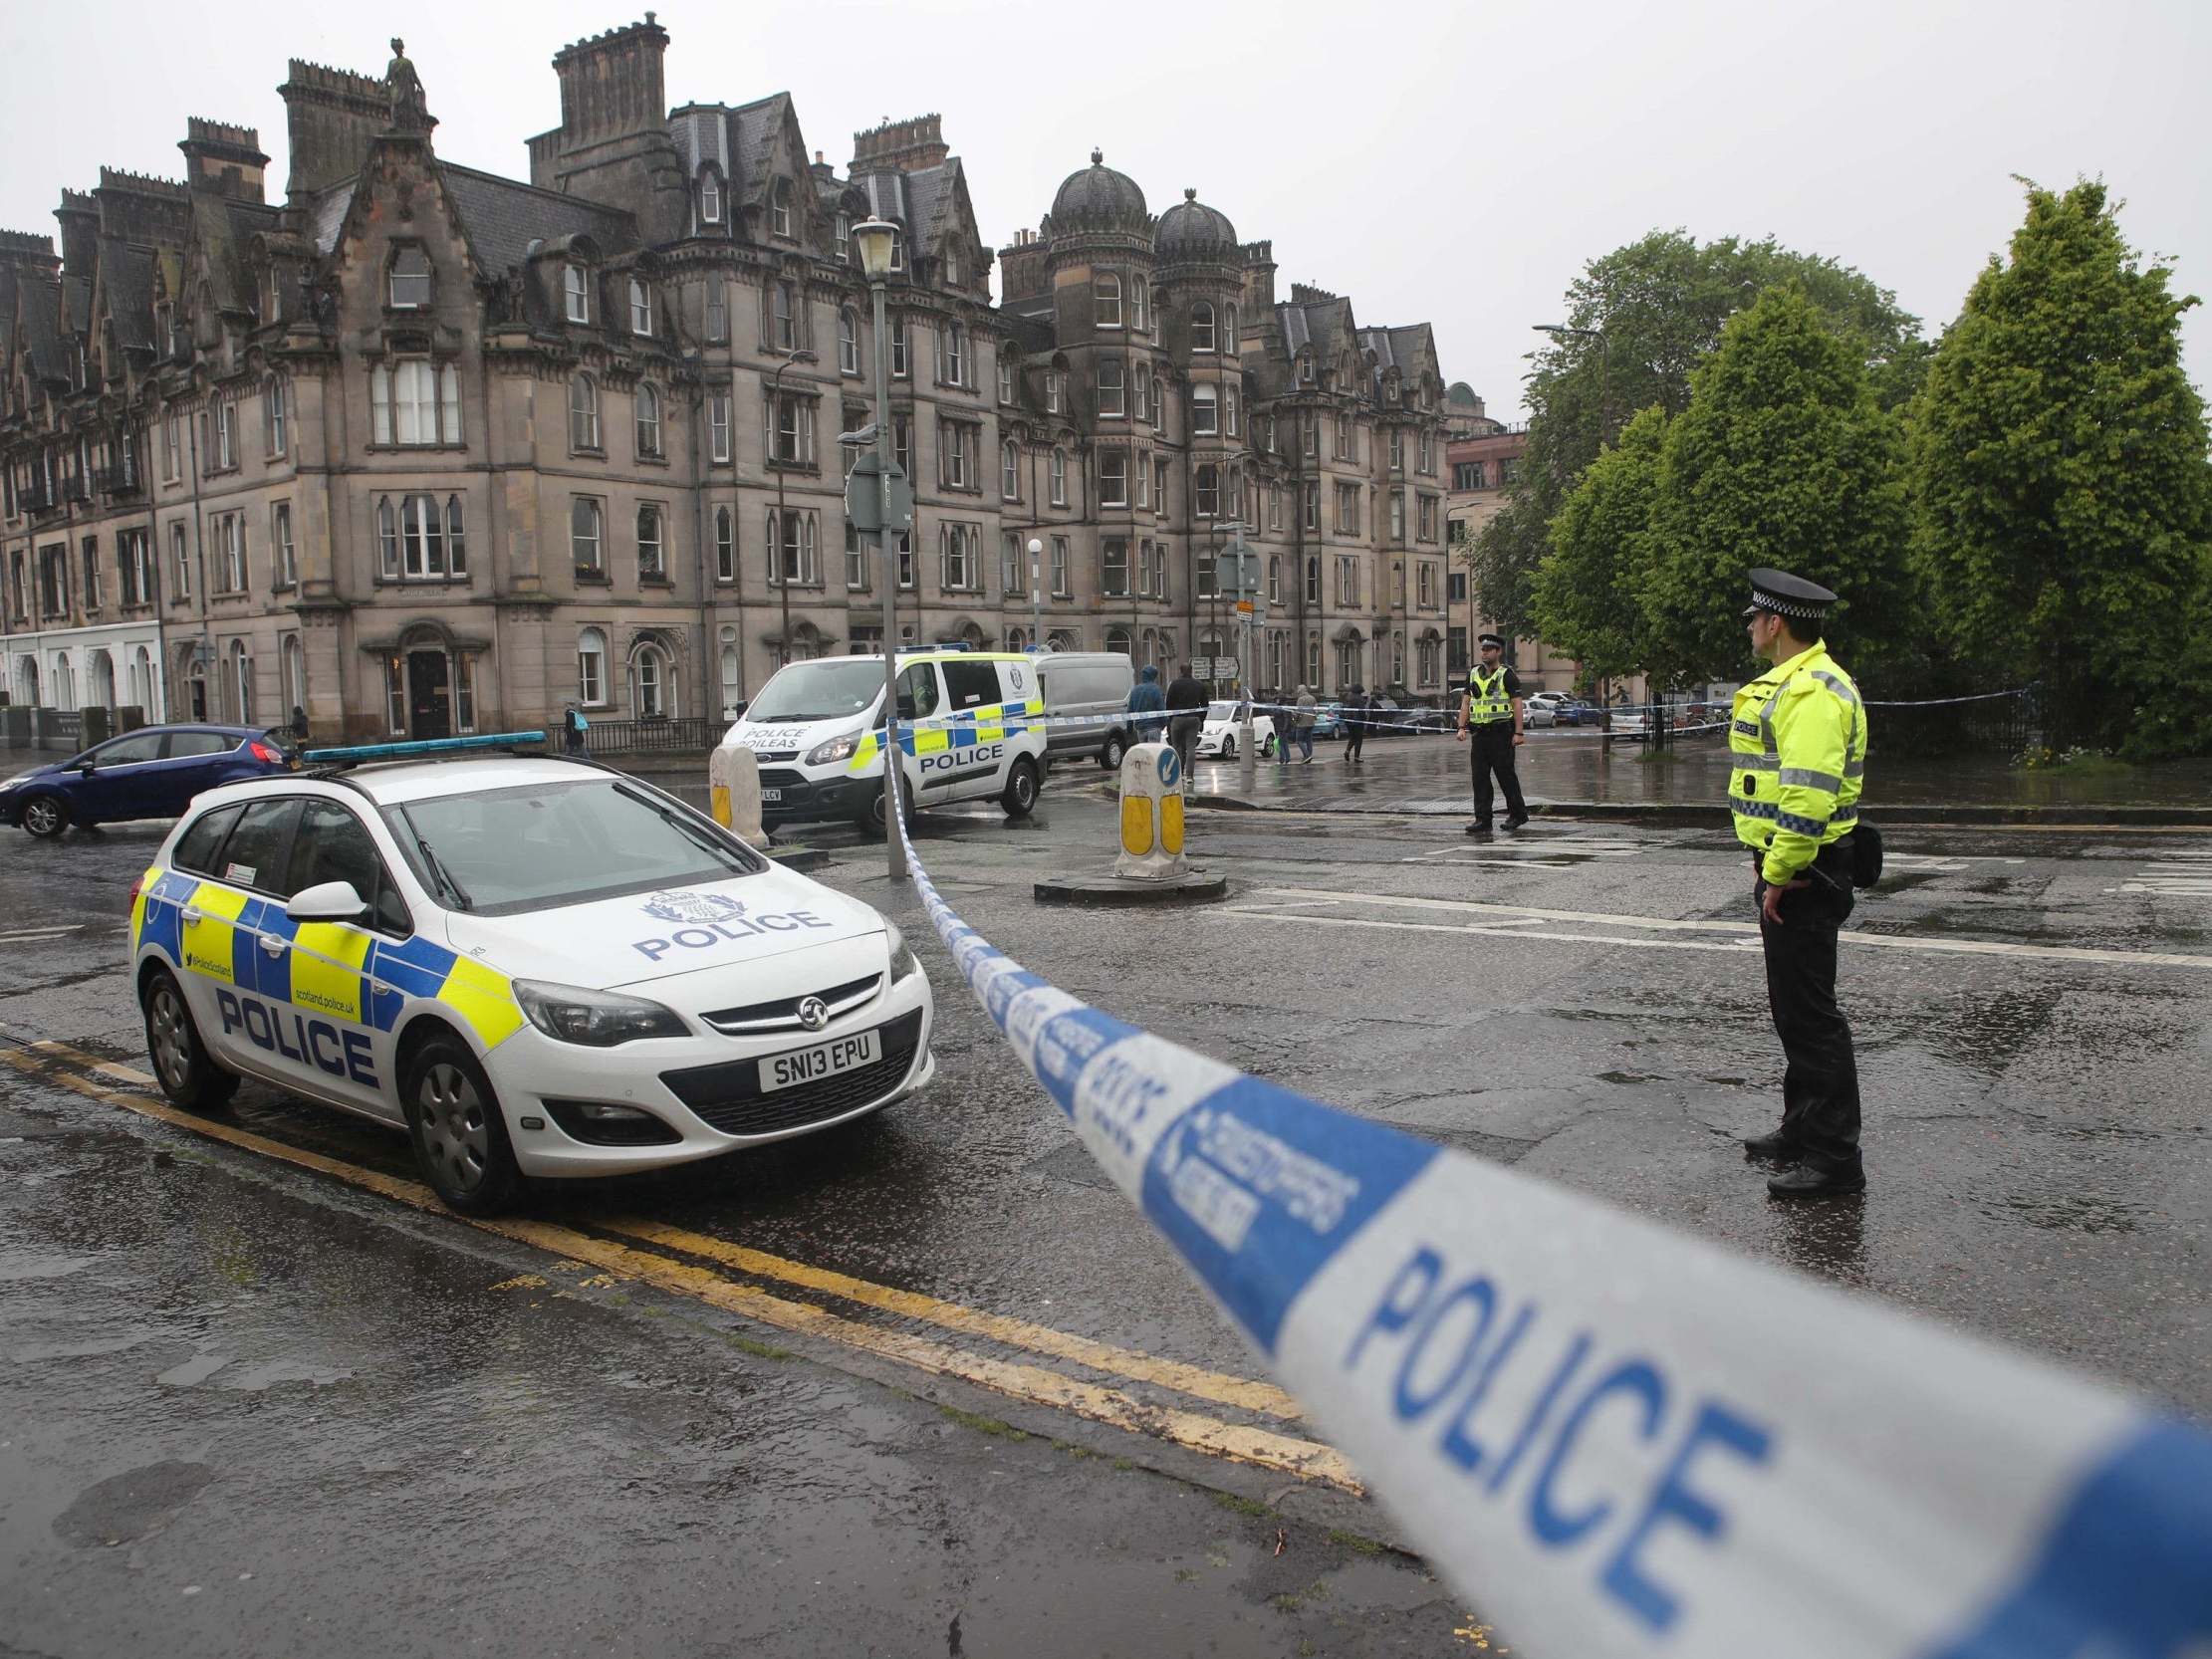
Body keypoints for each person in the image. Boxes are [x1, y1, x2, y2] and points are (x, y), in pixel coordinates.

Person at [1733, 569, 1868, 1200]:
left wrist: (1779, 874)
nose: (1752, 627)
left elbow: (1806, 801)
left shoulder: (1810, 692)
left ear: (1776, 623)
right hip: (1795, 868)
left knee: (1812, 1018)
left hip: (1805, 873)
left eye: (1755, 618)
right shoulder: (1797, 683)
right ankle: (1802, 1128)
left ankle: (1835, 1160)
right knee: (1793, 1011)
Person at [1456, 634, 1527, 833]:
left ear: (1498, 652)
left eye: (1489, 649)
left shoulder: (1507, 675)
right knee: (1479, 778)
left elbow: (1517, 704)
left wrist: (1519, 732)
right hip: (1479, 735)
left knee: (1506, 776)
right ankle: (1483, 819)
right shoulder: (1473, 674)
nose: (1484, 652)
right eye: (1483, 649)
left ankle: (1518, 814)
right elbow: (1465, 702)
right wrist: (1462, 727)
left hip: (1501, 733)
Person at [1164, 664, 1206, 776]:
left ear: (1180, 671)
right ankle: (1189, 776)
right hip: (1193, 719)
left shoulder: (1174, 684)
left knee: (1176, 746)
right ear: (1192, 671)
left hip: (1177, 719)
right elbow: (1205, 705)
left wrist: (1171, 719)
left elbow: (1169, 703)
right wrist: (1201, 719)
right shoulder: (1199, 685)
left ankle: (1178, 773)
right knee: (1191, 748)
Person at [1126, 664, 1167, 747]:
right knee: (1153, 754)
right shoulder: (1156, 689)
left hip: (1140, 728)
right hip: (1154, 727)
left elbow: (1130, 710)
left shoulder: (1135, 690)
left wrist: (1129, 728)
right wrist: (1164, 723)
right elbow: (1161, 709)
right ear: (1153, 676)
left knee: (1144, 754)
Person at [1292, 685, 1318, 763]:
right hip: (1311, 723)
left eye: (1298, 690)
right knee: (1309, 740)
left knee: (1299, 740)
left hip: (1302, 723)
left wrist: (1294, 719)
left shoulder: (1301, 699)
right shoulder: (1313, 698)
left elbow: (1299, 711)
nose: (1298, 692)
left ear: (1301, 690)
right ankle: (1308, 756)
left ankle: (1307, 755)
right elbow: (1316, 710)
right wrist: (1314, 717)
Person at [1343, 685, 1367, 763]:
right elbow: (1361, 710)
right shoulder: (1359, 698)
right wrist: (1365, 719)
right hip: (1357, 721)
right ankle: (1357, 757)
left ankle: (1347, 751)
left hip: (1348, 720)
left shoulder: (1348, 697)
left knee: (1352, 737)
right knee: (1359, 739)